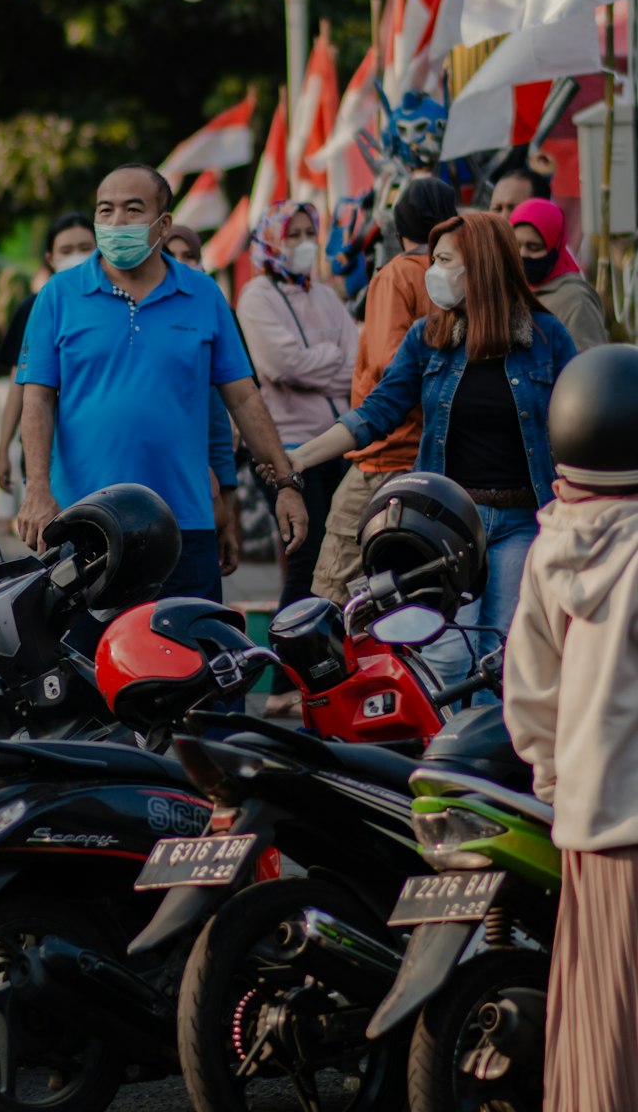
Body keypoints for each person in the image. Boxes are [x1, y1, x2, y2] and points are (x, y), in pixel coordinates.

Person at [275, 211, 576, 686]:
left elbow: (577, 425)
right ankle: (441, 756)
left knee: (503, 660)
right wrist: (299, 458)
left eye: (443, 260)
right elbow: (375, 413)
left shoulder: (546, 338)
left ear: (481, 265)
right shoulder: (427, 338)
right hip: (447, 528)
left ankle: (485, 761)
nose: (431, 270)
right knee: (445, 661)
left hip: (523, 523)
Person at [15, 163, 307, 602]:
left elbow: (242, 399)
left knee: (187, 659)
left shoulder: (203, 294)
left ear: (163, 223)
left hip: (182, 524)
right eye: (105, 210)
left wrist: (284, 485)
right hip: (83, 522)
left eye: (133, 210)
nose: (116, 223)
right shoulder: (58, 295)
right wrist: (36, 488)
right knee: (83, 664)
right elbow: (36, 400)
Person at [504, 345, 638, 1112]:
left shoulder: (552, 547)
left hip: (589, 821)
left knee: (597, 1020)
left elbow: (529, 694)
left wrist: (557, 782)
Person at [311, 176, 458, 605]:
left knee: (334, 593)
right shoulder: (457, 277)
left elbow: (387, 367)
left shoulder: (396, 275)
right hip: (433, 461)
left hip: (384, 459)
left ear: (398, 227)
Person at [237, 200, 357, 613]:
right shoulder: (256, 297)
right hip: (288, 448)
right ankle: (288, 655)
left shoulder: (323, 293)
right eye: (294, 235)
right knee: (306, 559)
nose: (305, 243)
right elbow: (281, 365)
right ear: (272, 240)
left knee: (338, 559)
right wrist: (333, 359)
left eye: (310, 234)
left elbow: (358, 365)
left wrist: (315, 361)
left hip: (339, 443)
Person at [0, 214, 97, 493]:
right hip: (45, 452)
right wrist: (3, 447)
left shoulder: (113, 303)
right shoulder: (33, 307)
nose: (77, 256)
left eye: (85, 248)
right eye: (67, 250)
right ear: (51, 258)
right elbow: (21, 383)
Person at [163, 224, 240, 579]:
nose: (180, 264)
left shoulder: (208, 313)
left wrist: (228, 507)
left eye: (189, 256)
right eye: (171, 255)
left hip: (193, 508)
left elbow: (218, 425)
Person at [510, 196, 608, 351]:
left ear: (555, 247)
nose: (523, 255)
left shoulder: (575, 301)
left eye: (534, 247)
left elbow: (592, 367)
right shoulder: (511, 290)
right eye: (515, 246)